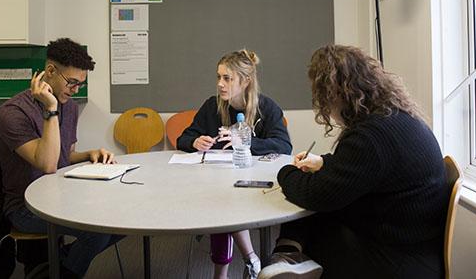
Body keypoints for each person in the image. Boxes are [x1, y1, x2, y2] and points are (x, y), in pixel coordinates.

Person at [258, 45, 449, 279]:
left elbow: (316, 194)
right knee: (319, 196)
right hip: (414, 241)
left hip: (396, 260)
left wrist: (286, 172)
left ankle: (288, 255)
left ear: (335, 93)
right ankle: (287, 254)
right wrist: (323, 163)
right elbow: (360, 169)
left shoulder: (370, 137)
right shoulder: (396, 117)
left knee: (313, 205)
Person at [0, 38, 122, 279]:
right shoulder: (12, 113)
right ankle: (62, 272)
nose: (75, 90)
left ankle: (56, 267)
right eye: (72, 82)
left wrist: (89, 154)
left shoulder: (70, 106)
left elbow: (64, 156)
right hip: (27, 207)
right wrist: (50, 108)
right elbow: (48, 164)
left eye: (80, 85)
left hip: (62, 196)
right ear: (50, 71)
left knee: (124, 218)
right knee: (97, 232)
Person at [177, 49, 292, 279]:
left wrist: (246, 143)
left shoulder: (266, 108)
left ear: (246, 81)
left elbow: (283, 146)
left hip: (254, 182)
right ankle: (249, 260)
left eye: (227, 78)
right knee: (222, 204)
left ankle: (235, 267)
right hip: (218, 182)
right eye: (218, 77)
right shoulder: (212, 106)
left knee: (224, 207)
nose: (220, 84)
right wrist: (195, 141)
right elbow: (184, 138)